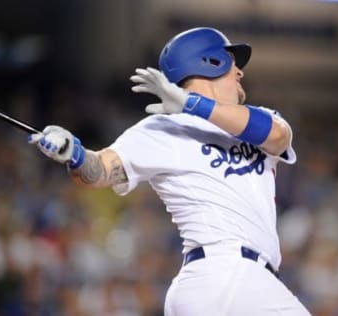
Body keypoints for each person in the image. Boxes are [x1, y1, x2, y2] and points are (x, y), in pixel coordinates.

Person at [29, 27, 311, 315]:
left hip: (235, 285)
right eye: (232, 63)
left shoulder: (260, 119)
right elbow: (99, 170)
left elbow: (277, 135)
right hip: (224, 273)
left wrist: (191, 103)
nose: (240, 73)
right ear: (210, 62)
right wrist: (73, 154)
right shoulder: (163, 128)